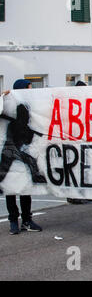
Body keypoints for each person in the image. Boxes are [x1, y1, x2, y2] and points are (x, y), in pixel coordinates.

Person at [0, 79, 45, 234]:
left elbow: (27, 140)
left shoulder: (29, 120)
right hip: (9, 150)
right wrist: (2, 96)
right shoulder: (8, 112)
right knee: (9, 185)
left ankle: (26, 219)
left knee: (26, 186)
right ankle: (14, 220)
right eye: (28, 88)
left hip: (20, 150)